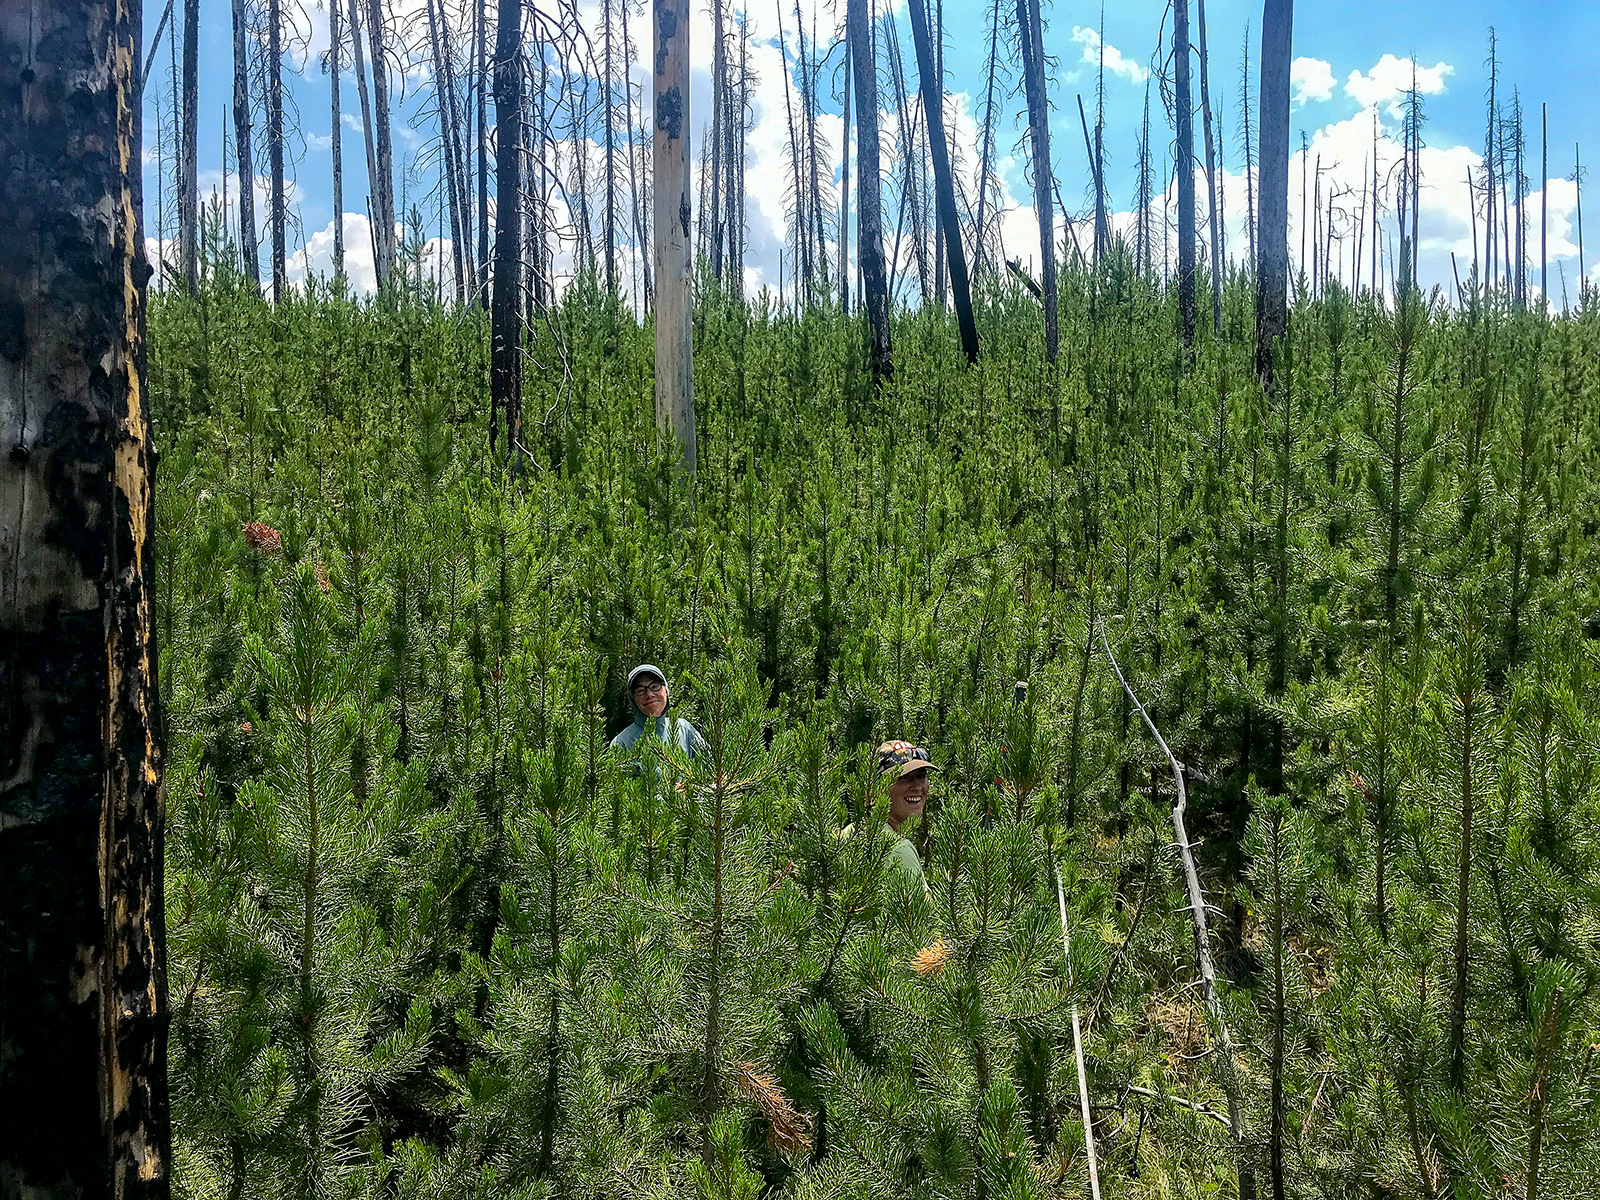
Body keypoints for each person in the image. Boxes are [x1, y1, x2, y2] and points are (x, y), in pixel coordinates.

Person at [609, 663, 706, 774]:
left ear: (666, 691)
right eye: (641, 690)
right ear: (633, 699)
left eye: (655, 687)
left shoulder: (685, 730)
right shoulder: (621, 743)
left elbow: (711, 769)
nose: (649, 694)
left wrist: (689, 787)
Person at [874, 739, 937, 892]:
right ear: (877, 787)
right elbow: (920, 916)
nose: (916, 787)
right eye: (903, 777)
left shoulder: (849, 833)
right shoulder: (899, 849)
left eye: (921, 776)